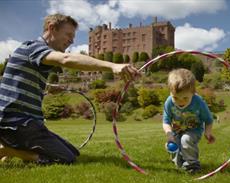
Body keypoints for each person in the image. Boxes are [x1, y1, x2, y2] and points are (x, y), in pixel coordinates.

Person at [0, 14, 139, 164]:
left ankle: (14, 146)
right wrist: (112, 66)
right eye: (68, 34)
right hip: (15, 123)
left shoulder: (35, 54)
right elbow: (66, 59)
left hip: (24, 123)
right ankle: (8, 149)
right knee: (66, 158)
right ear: (52, 28)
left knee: (73, 152)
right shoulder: (33, 47)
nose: (72, 40)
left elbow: (21, 81)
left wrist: (49, 88)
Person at [162, 68, 215, 173]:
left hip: (194, 130)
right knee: (174, 148)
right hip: (176, 131)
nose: (180, 102)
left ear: (193, 93)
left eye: (185, 98)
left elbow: (209, 119)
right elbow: (166, 121)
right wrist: (169, 134)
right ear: (170, 92)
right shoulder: (169, 102)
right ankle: (180, 161)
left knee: (185, 140)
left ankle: (192, 165)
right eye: (176, 98)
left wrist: (207, 132)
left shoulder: (198, 102)